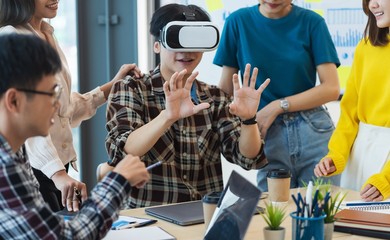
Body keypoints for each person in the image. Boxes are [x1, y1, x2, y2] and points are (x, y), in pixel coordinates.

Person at [0, 33, 149, 240]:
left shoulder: (14, 150)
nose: (59, 104)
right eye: (52, 93)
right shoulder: (4, 165)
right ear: (13, 101)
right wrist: (118, 181)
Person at [105, 3, 270, 208]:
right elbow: (126, 149)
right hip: (148, 217)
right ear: (157, 45)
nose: (187, 51)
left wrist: (248, 120)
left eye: (195, 42)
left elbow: (247, 157)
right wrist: (167, 116)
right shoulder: (130, 88)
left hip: (204, 215)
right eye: (176, 41)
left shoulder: (214, 97)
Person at [0, 0, 141, 212]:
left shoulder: (47, 33)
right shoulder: (12, 38)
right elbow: (25, 117)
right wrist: (58, 174)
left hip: (56, 167)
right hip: (39, 168)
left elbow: (61, 108)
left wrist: (110, 88)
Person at [213, 0, 341, 191]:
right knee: (275, 215)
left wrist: (277, 106)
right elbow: (226, 90)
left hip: (313, 130)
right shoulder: (238, 22)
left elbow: (331, 88)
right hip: (266, 133)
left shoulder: (312, 22)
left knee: (321, 214)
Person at [314, 0, 390, 202]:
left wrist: (387, 179)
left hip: (386, 167)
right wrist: (336, 155)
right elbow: (349, 115)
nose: (372, 5)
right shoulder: (366, 48)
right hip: (359, 156)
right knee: (349, 230)